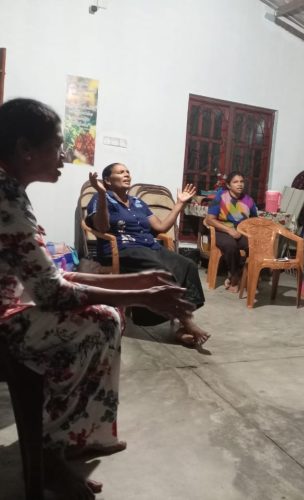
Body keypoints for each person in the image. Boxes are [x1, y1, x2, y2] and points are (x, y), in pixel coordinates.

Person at [0, 98, 195, 499]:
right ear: (25, 149)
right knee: (100, 320)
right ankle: (49, 451)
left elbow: (47, 275)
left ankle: (77, 435)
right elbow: (51, 291)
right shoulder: (7, 196)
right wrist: (142, 293)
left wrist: (137, 284)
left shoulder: (11, 191)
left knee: (109, 314)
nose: (64, 155)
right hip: (6, 317)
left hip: (20, 300)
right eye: (58, 145)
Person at [86, 163, 209, 347]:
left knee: (188, 266)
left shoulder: (138, 202)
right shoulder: (99, 198)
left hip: (149, 247)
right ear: (108, 180)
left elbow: (161, 227)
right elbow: (102, 227)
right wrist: (103, 194)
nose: (126, 174)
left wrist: (180, 204)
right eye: (120, 172)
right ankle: (187, 322)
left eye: (128, 172)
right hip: (122, 249)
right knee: (161, 271)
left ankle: (182, 327)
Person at [205, 171, 258, 292]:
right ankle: (235, 276)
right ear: (229, 185)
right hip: (221, 231)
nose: (240, 184)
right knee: (231, 246)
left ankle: (246, 276)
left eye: (241, 181)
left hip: (241, 233)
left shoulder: (249, 200)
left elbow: (254, 220)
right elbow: (209, 220)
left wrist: (248, 232)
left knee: (254, 246)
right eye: (235, 182)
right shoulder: (220, 197)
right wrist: (229, 230)